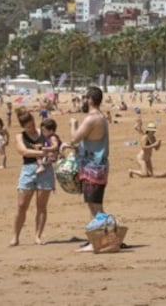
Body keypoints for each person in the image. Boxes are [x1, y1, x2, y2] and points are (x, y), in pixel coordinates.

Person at [64, 86, 110, 252]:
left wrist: (73, 124)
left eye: (85, 98)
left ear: (90, 99)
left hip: (93, 168)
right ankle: (97, 238)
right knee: (93, 204)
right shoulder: (101, 117)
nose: (83, 101)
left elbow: (75, 138)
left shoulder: (92, 118)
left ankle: (101, 239)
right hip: (96, 166)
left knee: (95, 206)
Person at [9, 108, 56, 247]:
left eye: (32, 124)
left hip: (46, 170)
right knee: (21, 205)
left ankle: (38, 236)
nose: (31, 128)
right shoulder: (20, 136)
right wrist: (43, 152)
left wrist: (51, 152)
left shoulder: (43, 131)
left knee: (41, 206)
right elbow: (23, 151)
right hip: (28, 170)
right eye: (27, 126)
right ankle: (15, 237)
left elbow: (55, 143)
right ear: (23, 126)